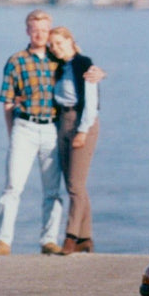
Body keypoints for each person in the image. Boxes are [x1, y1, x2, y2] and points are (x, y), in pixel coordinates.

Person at [0, 10, 103, 256]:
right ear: (27, 31)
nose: (39, 34)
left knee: (53, 190)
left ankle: (49, 240)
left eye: (44, 30)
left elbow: (82, 65)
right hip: (24, 127)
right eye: (34, 29)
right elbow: (7, 102)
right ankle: (3, 241)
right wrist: (12, 133)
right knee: (12, 187)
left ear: (49, 32)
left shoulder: (57, 58)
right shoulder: (16, 60)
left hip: (52, 128)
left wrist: (98, 73)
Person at [50, 26, 100, 255]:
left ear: (71, 41)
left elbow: (91, 101)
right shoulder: (60, 66)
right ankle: (86, 238)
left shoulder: (83, 63)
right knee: (76, 185)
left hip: (82, 122)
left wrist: (82, 131)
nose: (56, 48)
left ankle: (70, 237)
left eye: (60, 43)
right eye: (53, 45)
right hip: (62, 121)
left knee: (74, 185)